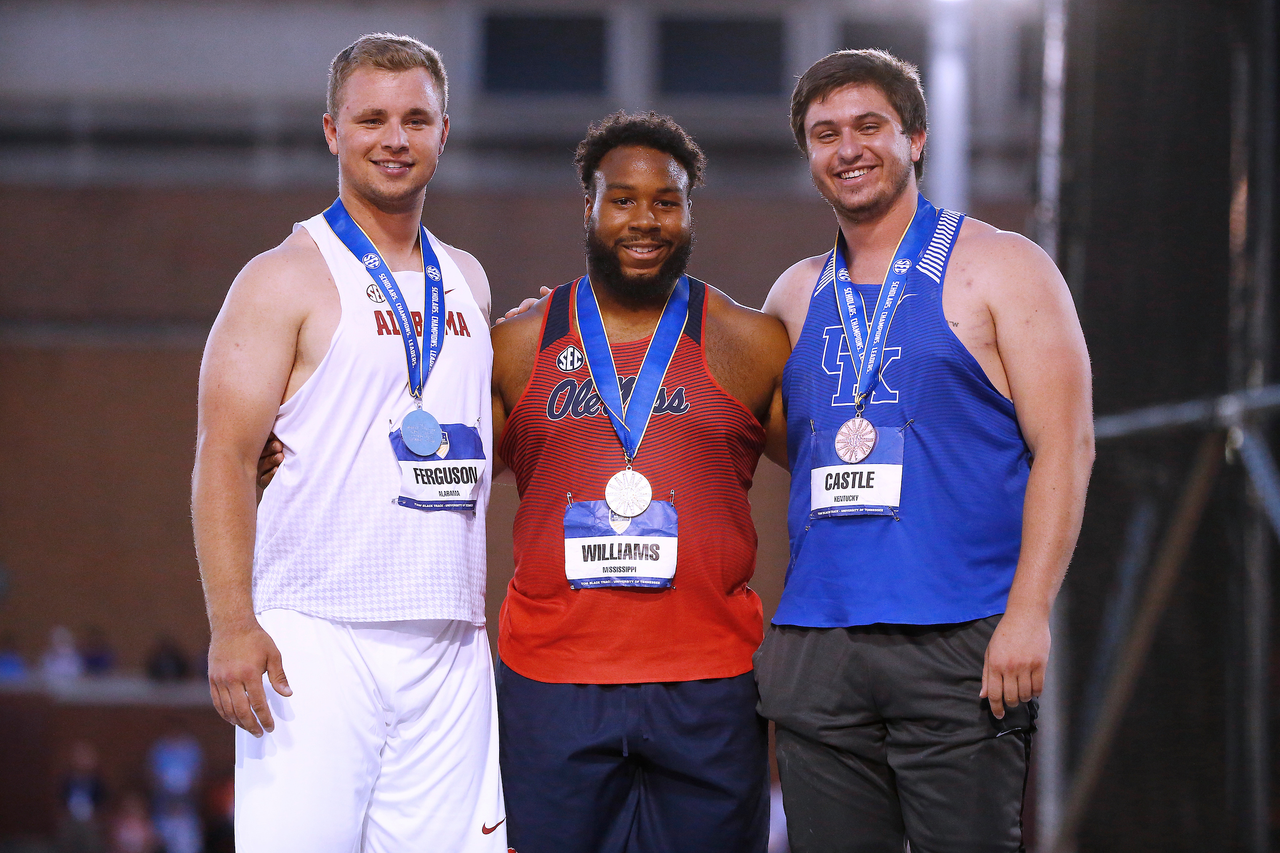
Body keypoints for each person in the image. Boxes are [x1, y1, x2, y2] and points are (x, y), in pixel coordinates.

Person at [753, 50, 1094, 852]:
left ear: (916, 136)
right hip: (818, 644)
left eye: (869, 126)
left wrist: (1028, 615)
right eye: (825, 132)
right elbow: (778, 441)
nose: (848, 148)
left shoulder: (1004, 266)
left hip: (962, 639)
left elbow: (1067, 448)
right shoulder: (794, 291)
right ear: (809, 154)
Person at [191, 33, 506, 852]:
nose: (394, 139)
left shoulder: (468, 280)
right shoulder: (281, 277)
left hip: (452, 637)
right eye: (370, 119)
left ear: (446, 131)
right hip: (316, 637)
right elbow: (223, 457)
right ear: (332, 131)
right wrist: (231, 624)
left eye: (415, 119)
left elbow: (481, 437)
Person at [489, 112, 791, 853]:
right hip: (552, 682)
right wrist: (283, 451)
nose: (644, 219)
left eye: (666, 200)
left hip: (710, 684)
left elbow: (830, 467)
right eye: (621, 199)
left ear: (690, 211)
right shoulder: (518, 345)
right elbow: (438, 474)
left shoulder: (749, 342)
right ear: (587, 207)